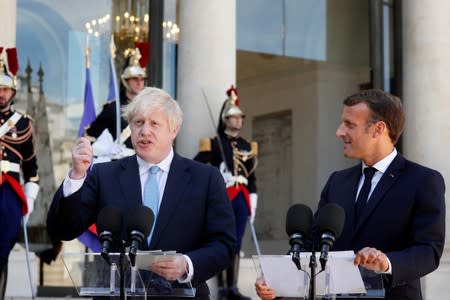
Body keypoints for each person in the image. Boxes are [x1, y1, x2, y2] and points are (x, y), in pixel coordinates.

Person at [47, 87, 236, 299]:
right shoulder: (104, 175)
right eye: (138, 123)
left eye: (154, 123)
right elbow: (62, 229)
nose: (144, 131)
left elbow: (224, 245)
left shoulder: (205, 178)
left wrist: (187, 265)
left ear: (174, 129)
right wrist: (76, 175)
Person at [255, 89, 445, 300]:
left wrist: (386, 262)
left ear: (378, 129)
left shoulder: (422, 180)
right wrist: (276, 281)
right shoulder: (338, 181)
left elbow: (429, 251)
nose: (339, 132)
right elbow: (314, 244)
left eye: (350, 125)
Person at [194, 85, 258, 300]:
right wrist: (218, 175)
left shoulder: (247, 146)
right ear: (224, 118)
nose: (238, 120)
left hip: (242, 196)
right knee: (223, 240)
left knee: (237, 242)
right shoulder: (213, 143)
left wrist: (253, 201)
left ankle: (232, 286)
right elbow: (197, 166)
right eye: (233, 117)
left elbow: (252, 177)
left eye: (240, 117)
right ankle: (222, 288)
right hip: (224, 196)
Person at [0, 47, 39, 298]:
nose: (1, 94)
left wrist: (30, 201)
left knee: (1, 251)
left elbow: (32, 170)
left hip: (9, 194)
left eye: (5, 89)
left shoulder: (22, 123)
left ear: (12, 91)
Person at [84, 47, 146, 149]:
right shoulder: (113, 108)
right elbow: (92, 136)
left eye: (142, 79)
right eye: (134, 78)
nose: (139, 82)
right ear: (125, 81)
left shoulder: (148, 108)